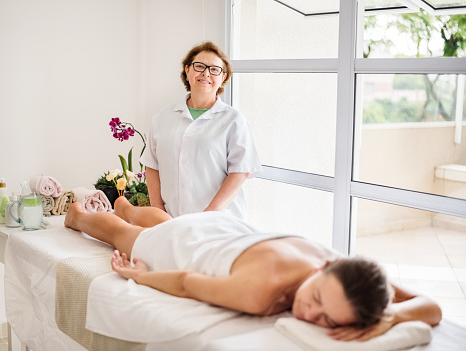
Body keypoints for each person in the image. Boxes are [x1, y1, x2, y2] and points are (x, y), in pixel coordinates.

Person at [64, 198, 442, 341]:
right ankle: (79, 214)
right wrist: (140, 275)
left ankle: (128, 205)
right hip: (190, 244)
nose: (308, 314)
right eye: (315, 298)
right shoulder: (260, 294)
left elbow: (432, 308)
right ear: (326, 267)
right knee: (121, 234)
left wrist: (390, 318)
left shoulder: (351, 277)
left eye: (327, 319)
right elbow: (185, 282)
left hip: (226, 230)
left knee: (162, 219)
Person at [140, 41, 262, 220]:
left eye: (214, 69)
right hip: (171, 221)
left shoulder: (234, 121)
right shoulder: (162, 118)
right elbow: (152, 166)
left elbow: (241, 171)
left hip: (219, 222)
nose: (206, 73)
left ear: (223, 77)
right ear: (187, 70)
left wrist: (209, 214)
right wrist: (157, 211)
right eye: (199, 66)